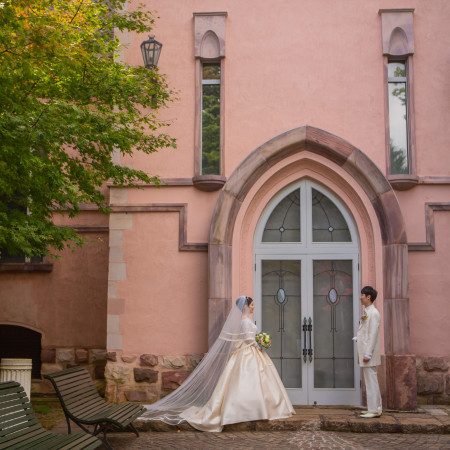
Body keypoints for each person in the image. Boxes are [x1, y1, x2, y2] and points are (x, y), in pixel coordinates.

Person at [142, 295, 295, 431]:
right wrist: (261, 344)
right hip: (249, 353)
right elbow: (248, 340)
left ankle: (252, 409)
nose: (254, 306)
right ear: (246, 306)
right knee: (249, 381)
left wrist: (260, 342)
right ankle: (252, 410)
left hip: (247, 353)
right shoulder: (245, 322)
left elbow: (246, 339)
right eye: (252, 304)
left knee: (249, 381)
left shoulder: (245, 320)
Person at [356, 286, 382, 418]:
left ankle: (374, 409)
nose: (360, 297)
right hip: (365, 350)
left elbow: (373, 334)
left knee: (371, 381)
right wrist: (358, 338)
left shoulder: (374, 313)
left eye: (362, 295)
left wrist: (368, 353)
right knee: (370, 380)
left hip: (368, 353)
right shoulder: (367, 311)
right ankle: (373, 408)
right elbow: (365, 332)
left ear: (368, 297)